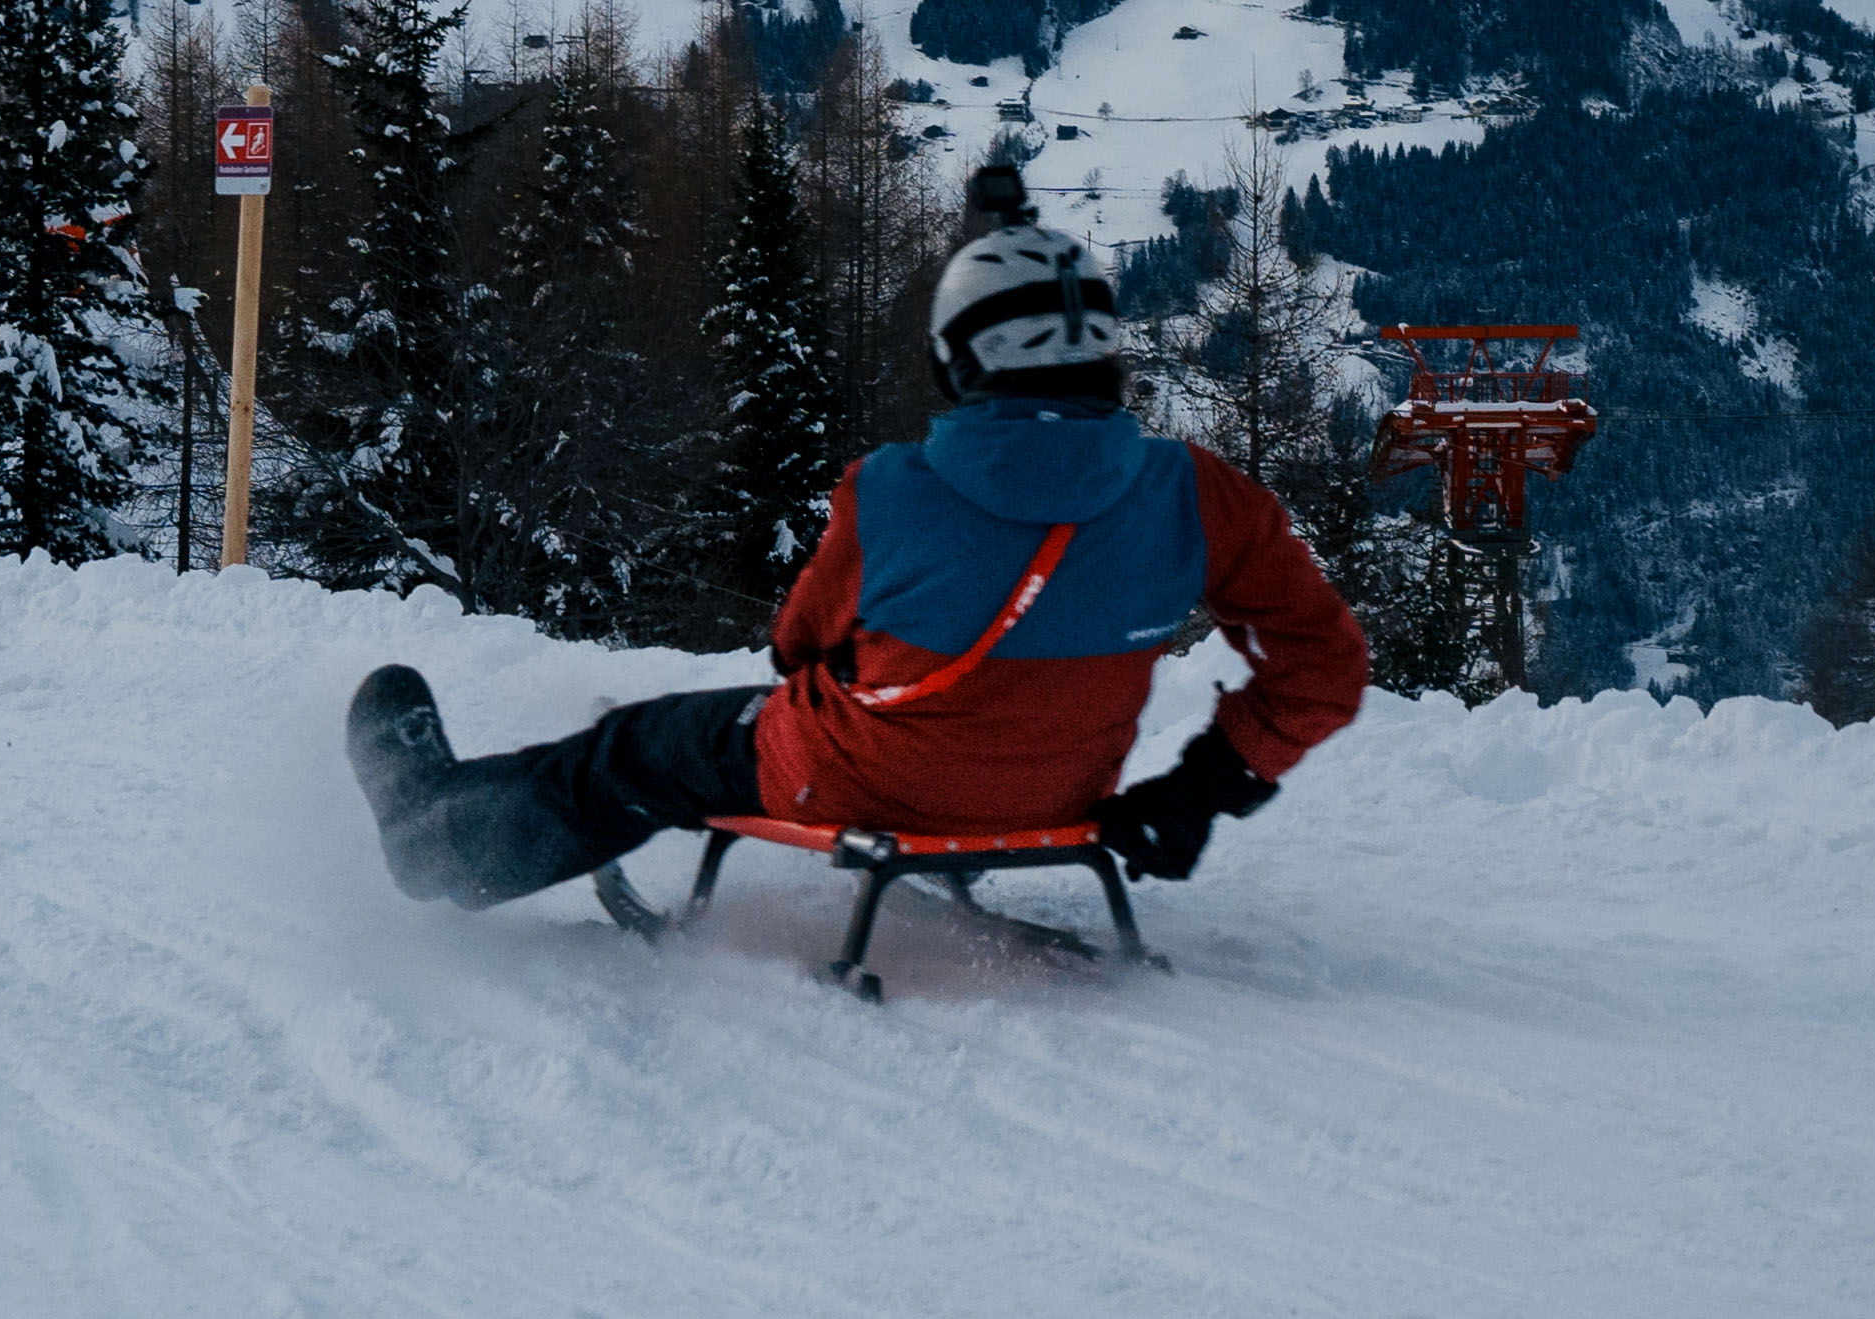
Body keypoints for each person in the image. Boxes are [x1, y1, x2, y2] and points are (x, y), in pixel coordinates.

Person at [344, 163, 1368, 911]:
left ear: (958, 358)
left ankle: (438, 844)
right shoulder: (1199, 494)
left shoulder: (891, 491)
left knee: (637, 749)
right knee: (664, 738)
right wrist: (1200, 789)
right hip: (1066, 794)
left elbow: (797, 647)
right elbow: (1326, 660)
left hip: (856, 777)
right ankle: (454, 799)